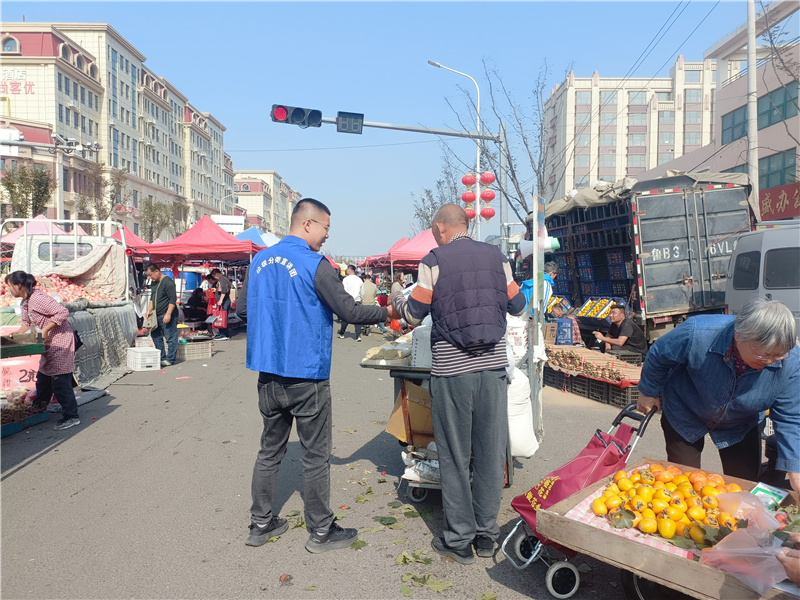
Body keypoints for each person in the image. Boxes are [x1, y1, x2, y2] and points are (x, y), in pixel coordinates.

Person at [236, 198, 387, 553]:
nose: (326, 237)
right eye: (325, 229)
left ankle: (260, 524)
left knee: (269, 450)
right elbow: (347, 310)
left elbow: (243, 310)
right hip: (307, 376)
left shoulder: (257, 262)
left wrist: (274, 331)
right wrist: (388, 311)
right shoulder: (316, 264)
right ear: (307, 224)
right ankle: (320, 530)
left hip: (268, 374)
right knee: (315, 456)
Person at [390, 204, 527, 565]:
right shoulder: (497, 256)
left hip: (452, 371)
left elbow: (412, 314)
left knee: (454, 455)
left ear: (440, 227)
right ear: (467, 225)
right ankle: (486, 537)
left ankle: (459, 539)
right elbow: (518, 305)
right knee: (489, 453)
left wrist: (395, 297)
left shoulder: (433, 260)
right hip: (493, 371)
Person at [637, 299, 800, 494]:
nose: (771, 361)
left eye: (779, 355)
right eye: (764, 355)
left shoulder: (791, 363)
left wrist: (795, 470)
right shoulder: (698, 333)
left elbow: (790, 418)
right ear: (739, 336)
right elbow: (659, 354)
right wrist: (648, 392)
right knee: (685, 484)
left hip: (742, 422)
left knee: (742, 488)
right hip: (686, 411)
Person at [5, 271, 80, 431]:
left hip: (61, 339)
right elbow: (26, 324)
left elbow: (63, 312)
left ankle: (71, 416)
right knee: (43, 377)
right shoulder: (25, 303)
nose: (9, 289)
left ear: (19, 285)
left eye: (10, 286)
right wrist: (14, 335)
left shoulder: (38, 298)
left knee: (59, 379)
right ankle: (38, 407)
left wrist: (46, 329)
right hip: (47, 342)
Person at [144, 264, 178, 367]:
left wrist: (168, 314)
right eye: (148, 275)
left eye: (151, 275)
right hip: (156, 314)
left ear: (157, 271)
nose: (150, 277)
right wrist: (149, 310)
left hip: (166, 313)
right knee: (156, 336)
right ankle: (161, 357)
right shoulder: (154, 283)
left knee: (170, 337)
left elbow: (172, 299)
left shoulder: (168, 282)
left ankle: (170, 359)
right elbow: (152, 298)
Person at [337, 265, 364, 341]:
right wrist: (361, 299)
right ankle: (358, 335)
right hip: (357, 300)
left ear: (349, 270)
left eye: (347, 269)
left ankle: (342, 333)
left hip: (348, 300)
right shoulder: (359, 280)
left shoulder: (346, 280)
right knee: (357, 318)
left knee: (346, 317)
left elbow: (343, 291)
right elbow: (362, 292)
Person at [211, 268, 232, 341]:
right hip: (224, 301)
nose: (215, 278)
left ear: (217, 274)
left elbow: (224, 290)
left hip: (224, 301)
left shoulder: (222, 279)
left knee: (223, 317)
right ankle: (222, 333)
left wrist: (220, 300)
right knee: (222, 317)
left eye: (215, 276)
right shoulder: (224, 279)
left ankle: (224, 334)